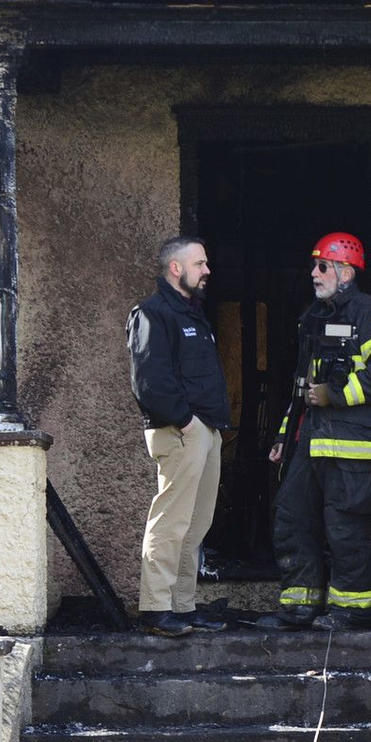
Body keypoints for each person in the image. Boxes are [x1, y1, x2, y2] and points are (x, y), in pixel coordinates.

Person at [256, 232, 371, 630]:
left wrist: (335, 395)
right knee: (292, 518)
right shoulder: (313, 318)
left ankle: (351, 610)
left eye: (322, 266)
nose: (314, 274)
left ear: (345, 272)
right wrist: (284, 437)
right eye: (314, 266)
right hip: (311, 443)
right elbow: (302, 388)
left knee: (345, 528)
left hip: (353, 447)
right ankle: (299, 606)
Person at [127, 235, 233, 637]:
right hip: (181, 431)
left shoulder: (191, 315)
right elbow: (149, 382)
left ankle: (182, 607)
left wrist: (206, 429)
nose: (207, 271)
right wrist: (186, 422)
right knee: (171, 521)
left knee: (196, 524)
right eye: (200, 264)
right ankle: (156, 608)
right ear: (176, 268)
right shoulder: (152, 313)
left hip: (204, 430)